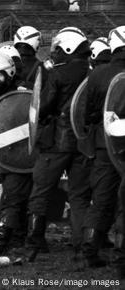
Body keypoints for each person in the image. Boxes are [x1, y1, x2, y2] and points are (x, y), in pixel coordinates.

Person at [26, 27, 91, 258]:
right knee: (79, 195)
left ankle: (35, 243)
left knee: (40, 191)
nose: (56, 53)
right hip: (83, 142)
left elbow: (43, 107)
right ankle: (82, 245)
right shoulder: (92, 72)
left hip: (56, 142)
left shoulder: (58, 74)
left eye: (59, 49)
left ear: (68, 48)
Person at [83, 27, 125, 270]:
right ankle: (121, 254)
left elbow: (87, 112)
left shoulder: (98, 74)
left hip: (104, 143)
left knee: (101, 198)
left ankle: (89, 248)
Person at [0, 52, 32, 255]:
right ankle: (18, 238)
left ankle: (2, 242)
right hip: (5, 153)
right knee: (15, 197)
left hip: (20, 154)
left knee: (13, 198)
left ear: (9, 73)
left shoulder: (22, 93)